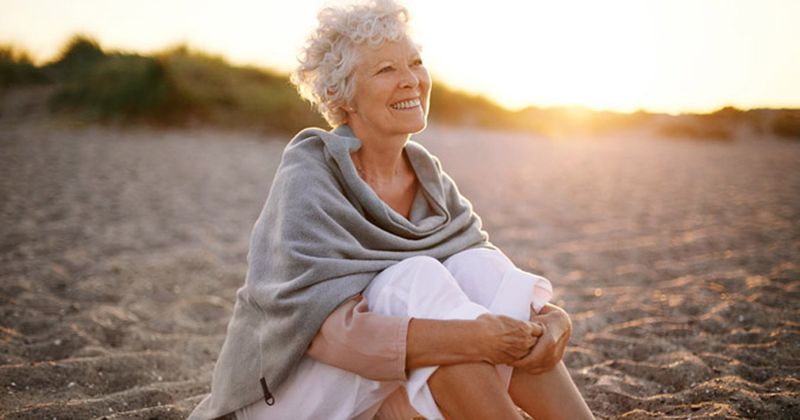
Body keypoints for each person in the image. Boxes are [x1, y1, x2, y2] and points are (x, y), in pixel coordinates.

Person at [189, 0, 593, 419]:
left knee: (476, 265)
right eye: (385, 70)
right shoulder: (311, 174)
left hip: (382, 392)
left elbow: (489, 284)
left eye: (415, 63)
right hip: (288, 395)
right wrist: (475, 338)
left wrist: (552, 320)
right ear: (338, 93)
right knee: (415, 278)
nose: (411, 81)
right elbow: (327, 336)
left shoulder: (428, 177)